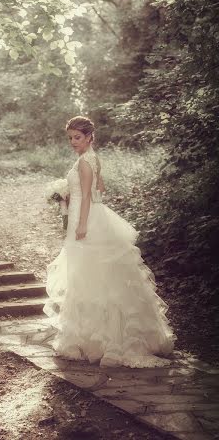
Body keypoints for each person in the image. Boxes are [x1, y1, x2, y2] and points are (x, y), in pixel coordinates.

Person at [43, 116, 176, 368]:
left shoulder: (84, 162)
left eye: (77, 137)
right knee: (99, 275)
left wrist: (81, 223)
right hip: (96, 215)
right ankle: (108, 337)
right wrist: (70, 196)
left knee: (88, 275)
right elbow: (99, 191)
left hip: (86, 221)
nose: (73, 142)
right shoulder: (93, 158)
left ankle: (100, 341)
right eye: (70, 137)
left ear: (89, 136)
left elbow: (86, 199)